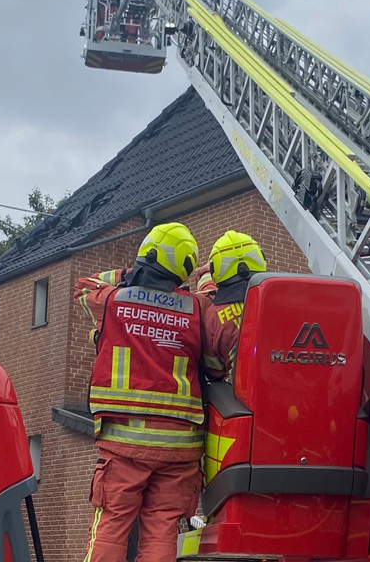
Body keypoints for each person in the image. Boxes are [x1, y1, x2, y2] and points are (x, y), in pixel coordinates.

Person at [75, 223, 207, 562]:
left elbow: (83, 285)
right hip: (180, 446)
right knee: (161, 530)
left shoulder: (113, 300)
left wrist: (127, 273)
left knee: (113, 524)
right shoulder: (195, 308)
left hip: (124, 441)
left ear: (147, 256)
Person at [196, 231, 268, 381]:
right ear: (261, 258)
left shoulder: (214, 316)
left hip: (237, 395)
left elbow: (213, 369)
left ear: (216, 270)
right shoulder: (278, 302)